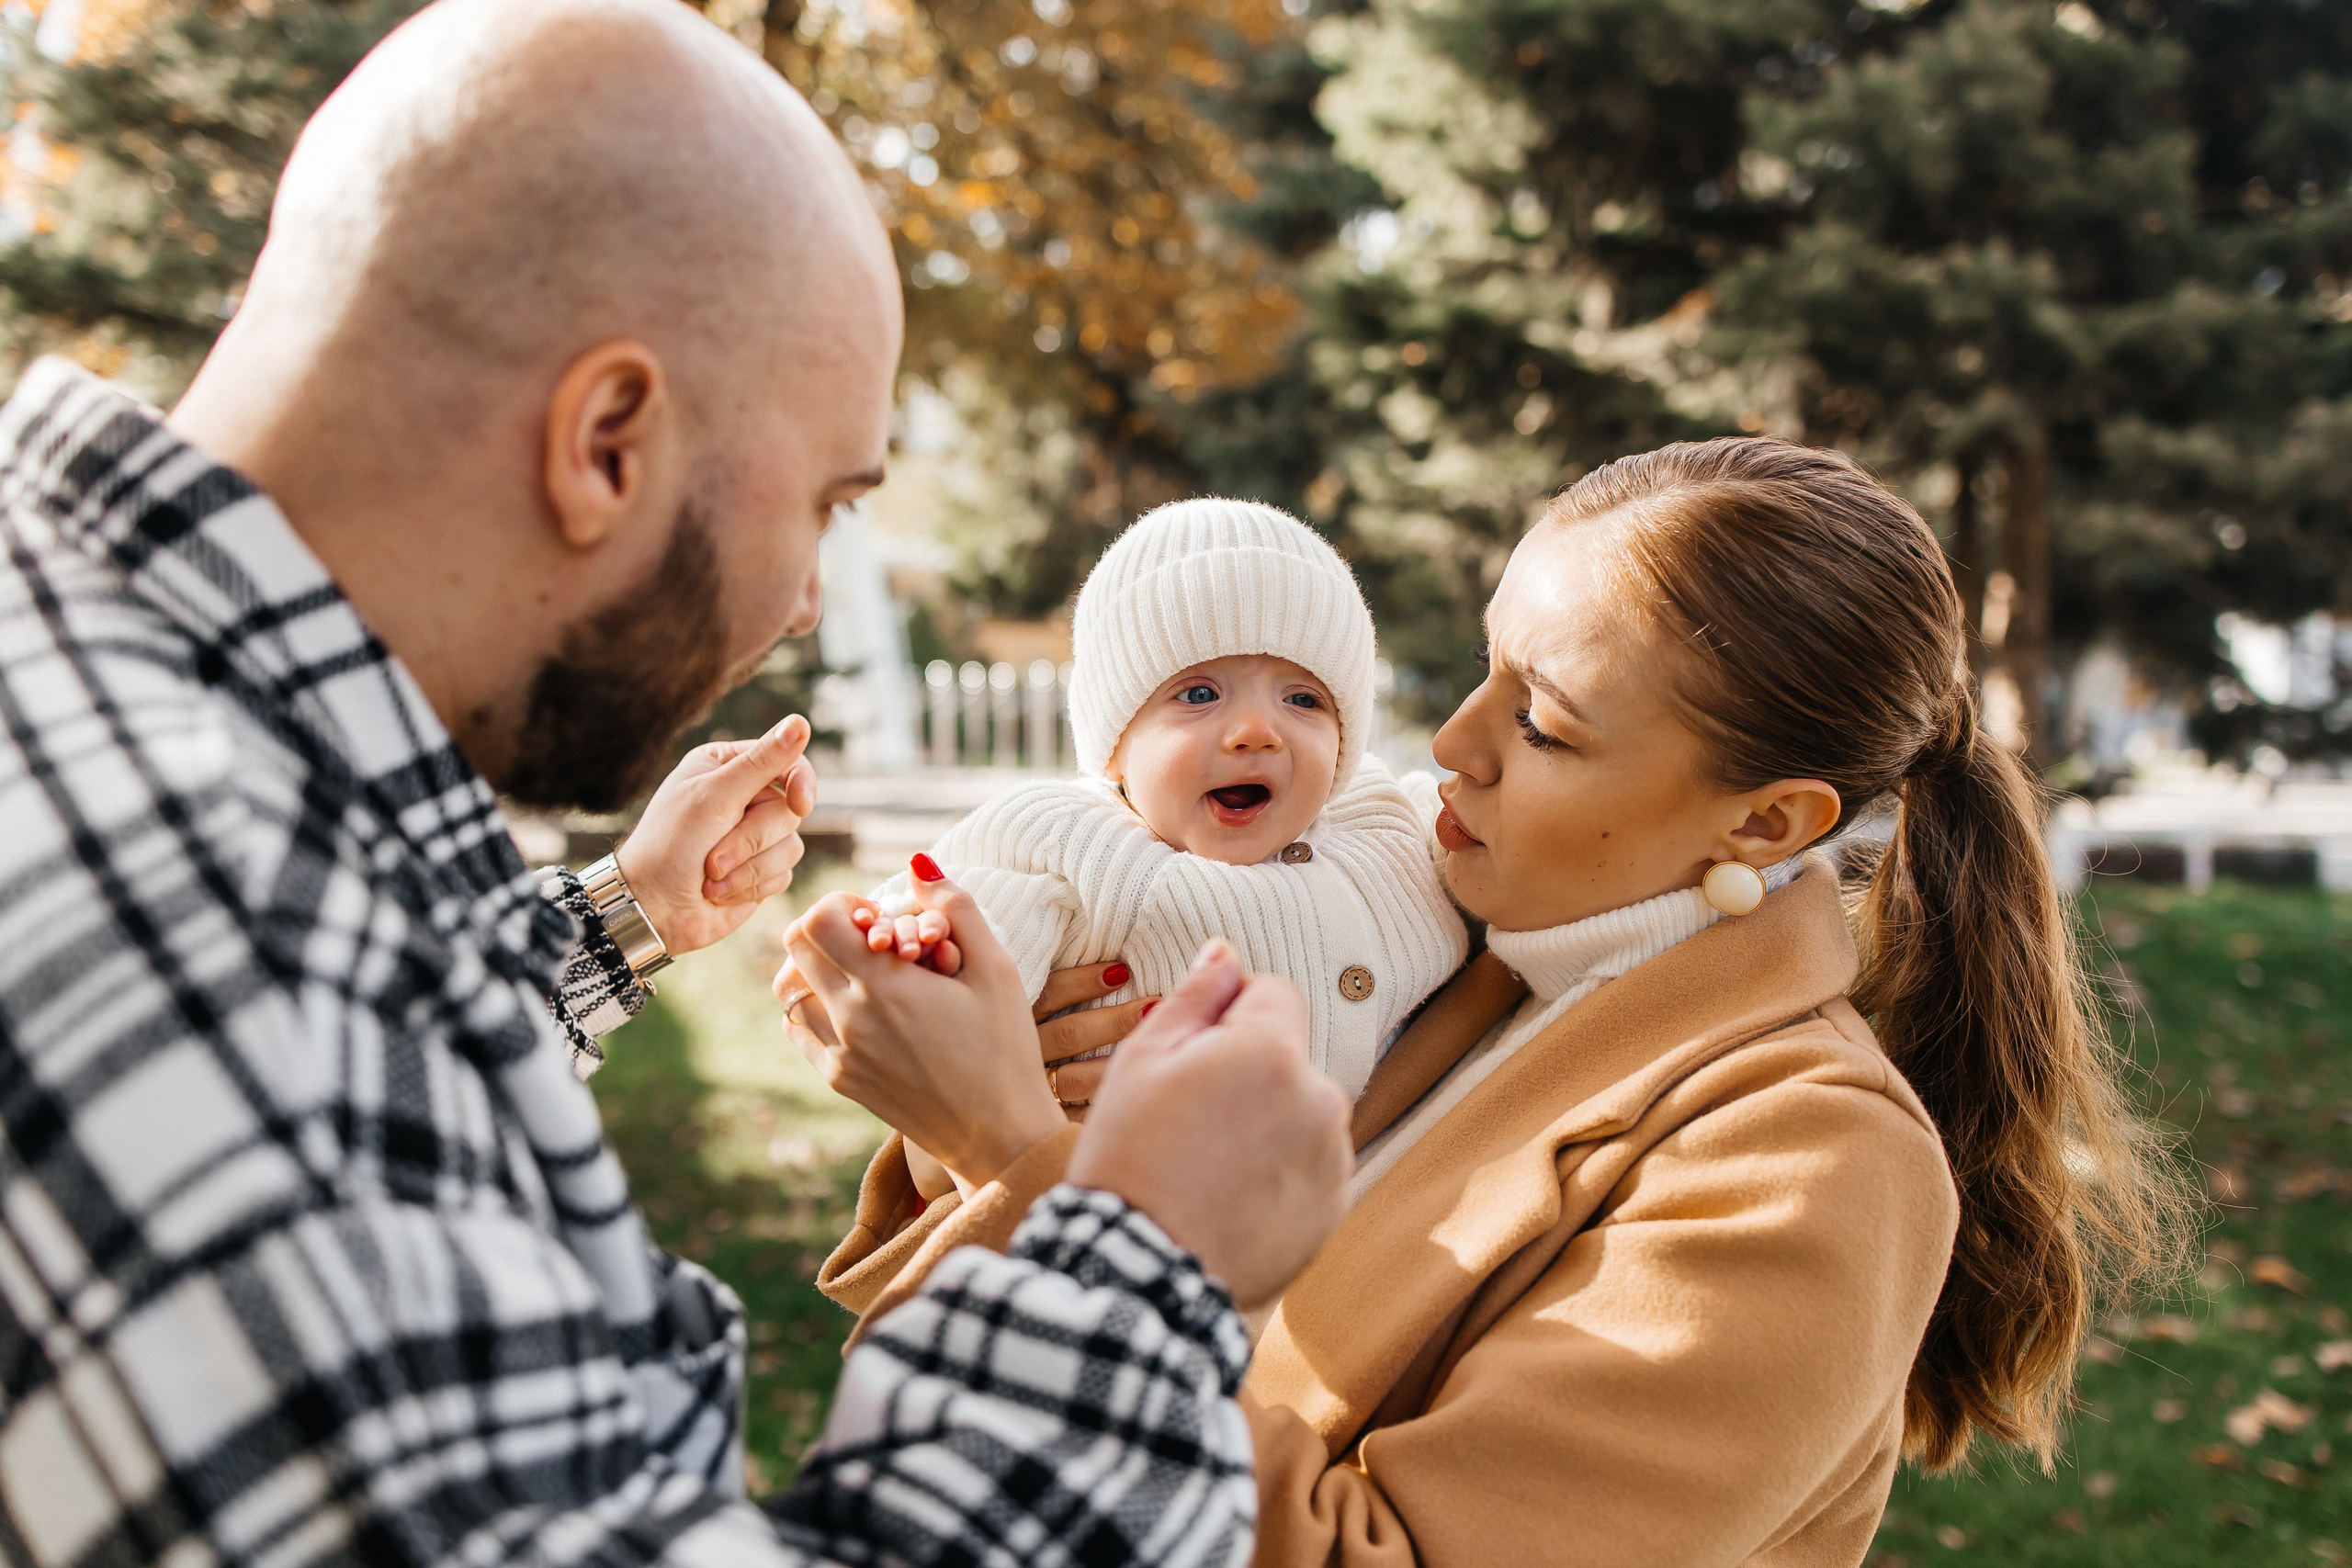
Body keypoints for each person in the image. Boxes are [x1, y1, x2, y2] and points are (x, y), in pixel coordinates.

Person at [0, 2, 1353, 1564]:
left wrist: (612, 928)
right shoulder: (210, 941)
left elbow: (366, 1093)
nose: (799, 603)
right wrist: (1147, 1262)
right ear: (610, 441)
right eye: (829, 499)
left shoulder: (118, 720)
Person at [788, 438, 2193, 1565]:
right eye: (1483, 667)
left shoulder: (1810, 1168)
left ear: (1767, 823)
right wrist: (997, 1072)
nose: (1451, 741)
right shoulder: (1448, 953)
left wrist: (1009, 1155)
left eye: (1544, 720)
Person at [825, 498, 1463, 1198]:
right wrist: (912, 943)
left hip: (1380, 1227)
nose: (1257, 729)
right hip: (1143, 1221)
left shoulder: (1382, 816)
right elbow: (959, 931)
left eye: (1304, 699)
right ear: (1116, 747)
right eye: (1198, 692)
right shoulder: (1074, 843)